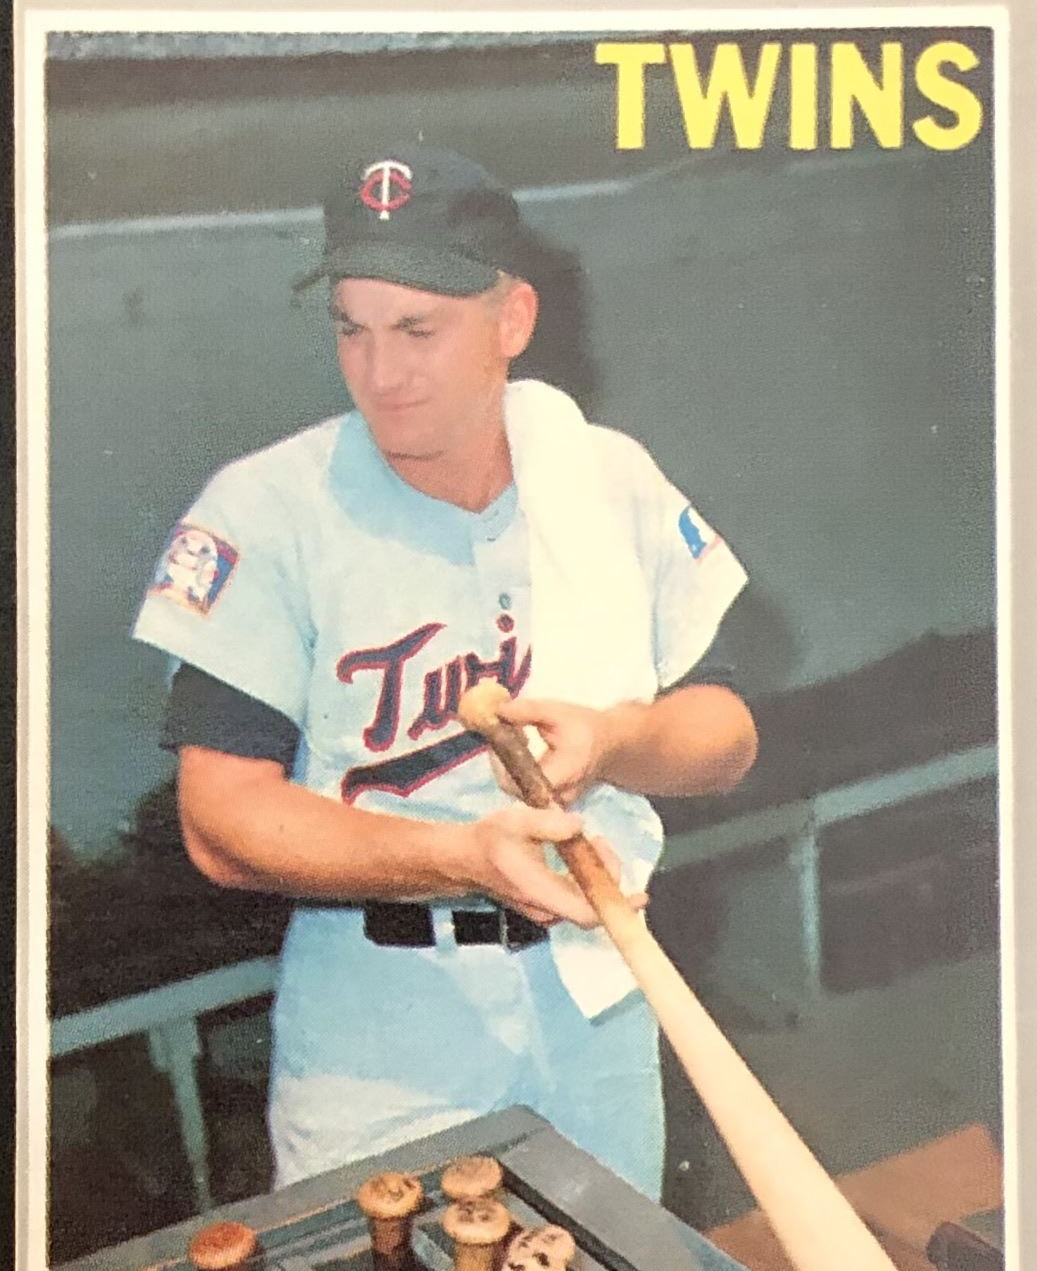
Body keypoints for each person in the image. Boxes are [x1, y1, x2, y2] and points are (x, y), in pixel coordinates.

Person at [132, 145, 758, 1201]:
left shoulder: (605, 480)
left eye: (418, 330)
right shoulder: (264, 509)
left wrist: (618, 739)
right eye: (353, 329)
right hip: (384, 1027)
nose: (381, 372)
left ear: (512, 319)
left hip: (598, 1002)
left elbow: (727, 736)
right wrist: (464, 856)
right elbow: (219, 820)